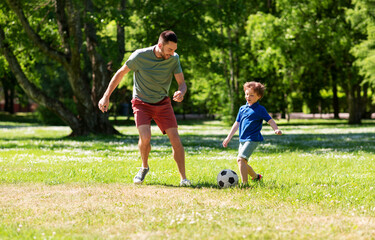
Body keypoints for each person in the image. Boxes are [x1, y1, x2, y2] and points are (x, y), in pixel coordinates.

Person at [98, 30, 191, 187]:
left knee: (175, 139)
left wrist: (181, 92)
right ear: (160, 45)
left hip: (162, 103)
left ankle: (184, 179)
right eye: (170, 49)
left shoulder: (174, 59)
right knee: (145, 136)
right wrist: (106, 96)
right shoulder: (139, 56)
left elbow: (182, 83)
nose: (172, 53)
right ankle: (144, 167)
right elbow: (120, 74)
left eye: (174, 50)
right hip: (141, 103)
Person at [222, 81, 282, 185]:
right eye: (246, 94)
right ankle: (256, 177)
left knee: (241, 159)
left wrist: (276, 129)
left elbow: (270, 120)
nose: (248, 97)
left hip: (253, 139)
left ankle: (244, 184)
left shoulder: (260, 109)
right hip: (242, 139)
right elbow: (236, 124)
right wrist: (228, 138)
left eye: (251, 95)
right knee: (242, 162)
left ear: (259, 96)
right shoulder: (242, 108)